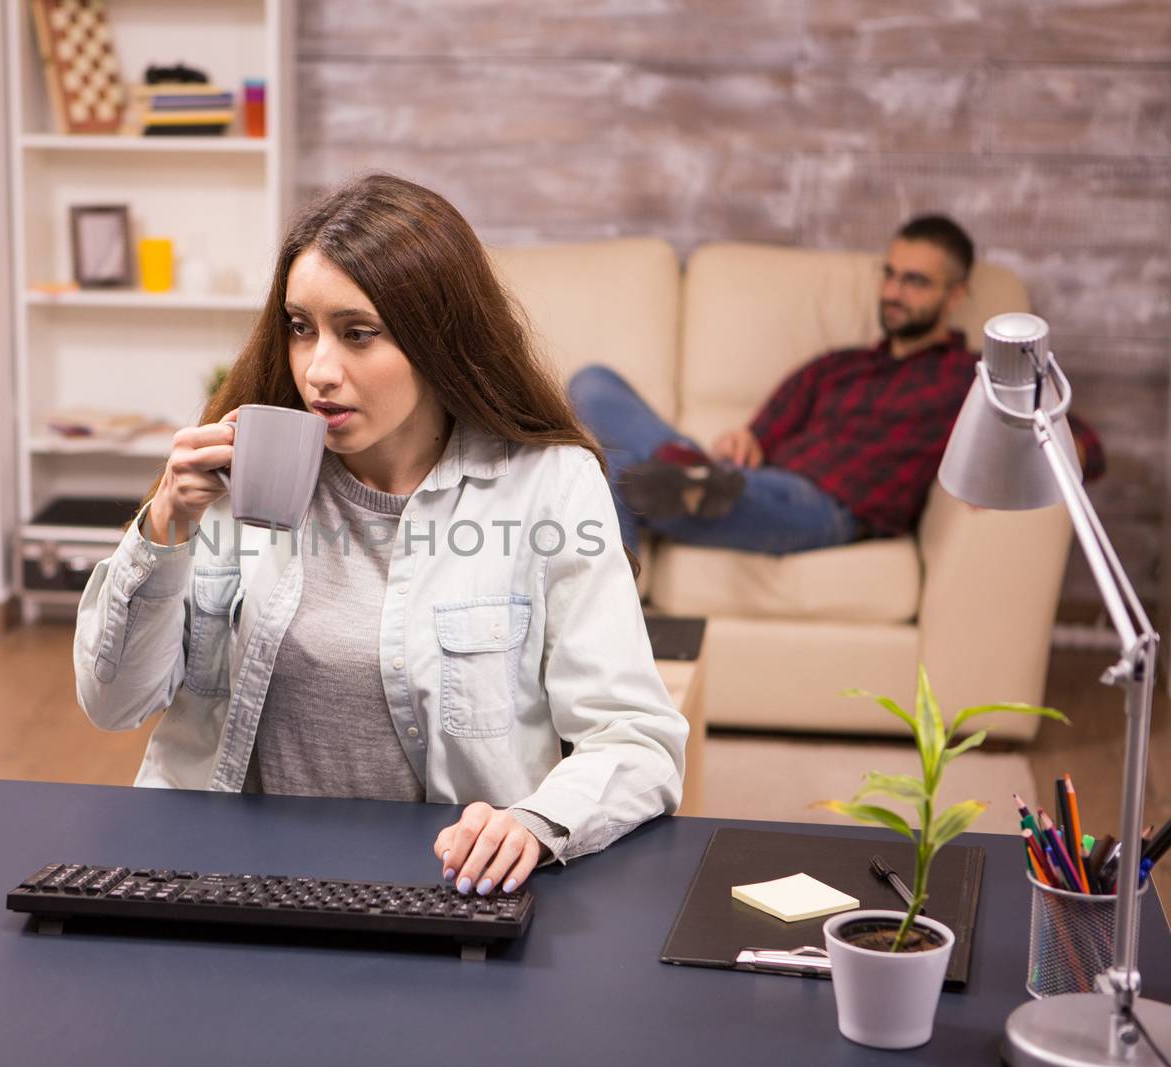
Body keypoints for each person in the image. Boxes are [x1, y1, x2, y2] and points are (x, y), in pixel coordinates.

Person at [74, 174, 686, 897]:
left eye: (358, 333)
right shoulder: (241, 465)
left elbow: (637, 740)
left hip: (438, 891)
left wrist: (534, 822)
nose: (317, 370)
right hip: (220, 877)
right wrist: (165, 526)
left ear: (439, 340)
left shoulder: (550, 485)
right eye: (301, 327)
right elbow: (111, 703)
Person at [569, 215, 1104, 554]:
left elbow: (1082, 443)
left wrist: (1007, 469)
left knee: (607, 475)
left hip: (826, 510)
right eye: (889, 274)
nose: (894, 291)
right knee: (592, 383)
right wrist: (746, 439)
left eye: (914, 281)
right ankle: (679, 473)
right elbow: (761, 435)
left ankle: (670, 485)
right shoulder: (837, 366)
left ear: (956, 294)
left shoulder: (970, 382)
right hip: (756, 484)